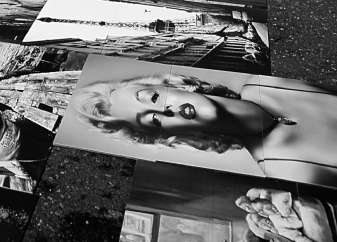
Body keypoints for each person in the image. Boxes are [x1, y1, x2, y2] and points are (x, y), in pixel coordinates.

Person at [73, 71, 337, 187]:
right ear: (168, 135)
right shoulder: (285, 168)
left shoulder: (264, 82)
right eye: (154, 121)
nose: (165, 111)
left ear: (171, 85)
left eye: (153, 98)